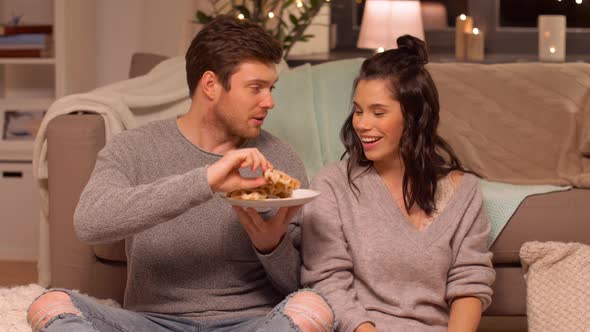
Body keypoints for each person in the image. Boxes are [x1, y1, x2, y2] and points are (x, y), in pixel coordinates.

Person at [27, 16, 334, 332]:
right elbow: (90, 222)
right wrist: (205, 181)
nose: (269, 102)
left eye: (271, 88)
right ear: (211, 85)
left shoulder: (279, 158)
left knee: (314, 307)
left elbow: (296, 284)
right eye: (256, 88)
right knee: (49, 304)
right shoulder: (136, 146)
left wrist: (272, 246)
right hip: (151, 322)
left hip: (250, 324)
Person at [301, 35, 495, 332]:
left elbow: (470, 280)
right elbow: (327, 282)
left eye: (378, 112)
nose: (362, 124)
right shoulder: (333, 184)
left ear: (415, 118)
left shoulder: (463, 191)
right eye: (358, 110)